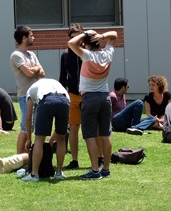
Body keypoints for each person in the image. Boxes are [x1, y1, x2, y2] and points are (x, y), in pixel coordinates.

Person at [68, 29, 118, 180]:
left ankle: (95, 171)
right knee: (105, 134)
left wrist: (84, 34)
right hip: (105, 97)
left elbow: (71, 43)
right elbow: (114, 35)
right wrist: (101, 36)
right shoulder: (107, 53)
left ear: (87, 45)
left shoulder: (87, 55)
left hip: (89, 98)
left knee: (89, 134)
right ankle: (106, 169)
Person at [21, 78, 70, 182]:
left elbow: (29, 117)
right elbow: (61, 128)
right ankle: (59, 172)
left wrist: (29, 139)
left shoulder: (30, 90)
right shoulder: (55, 83)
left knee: (39, 139)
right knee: (61, 139)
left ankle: (34, 175)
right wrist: (51, 141)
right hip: (65, 100)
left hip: (47, 100)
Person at [10, 25, 45, 154]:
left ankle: (28, 156)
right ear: (24, 38)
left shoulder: (31, 54)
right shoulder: (16, 55)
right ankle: (19, 157)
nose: (33, 38)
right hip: (25, 96)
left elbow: (42, 72)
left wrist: (33, 70)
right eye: (31, 35)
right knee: (26, 127)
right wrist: (35, 69)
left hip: (37, 95)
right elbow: (30, 73)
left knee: (34, 127)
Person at [59, 23, 83, 169]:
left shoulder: (87, 52)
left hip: (88, 94)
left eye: (78, 36)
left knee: (92, 128)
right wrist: (62, 94)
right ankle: (74, 160)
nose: (76, 40)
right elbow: (62, 77)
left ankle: (99, 158)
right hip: (73, 94)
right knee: (73, 128)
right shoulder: (66, 55)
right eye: (73, 37)